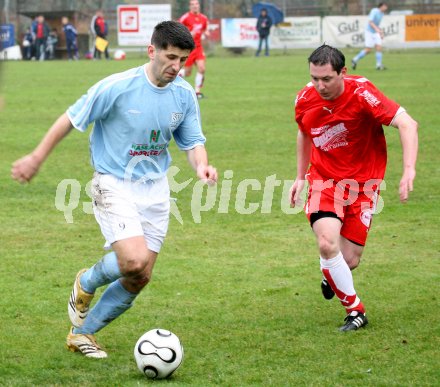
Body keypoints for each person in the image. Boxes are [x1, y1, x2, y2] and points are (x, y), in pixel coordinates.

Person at [11, 20, 218, 358]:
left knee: (140, 276)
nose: (176, 67)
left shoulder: (183, 94)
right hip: (113, 182)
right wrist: (36, 157)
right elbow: (71, 118)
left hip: (155, 189)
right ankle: (88, 281)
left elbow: (193, 141)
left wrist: (202, 166)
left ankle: (83, 333)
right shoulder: (117, 86)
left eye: (182, 59)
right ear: (151, 51)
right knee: (132, 260)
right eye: (169, 57)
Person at [290, 44, 418, 331]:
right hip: (324, 180)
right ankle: (355, 311)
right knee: (326, 242)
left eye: (326, 79)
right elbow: (304, 133)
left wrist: (408, 169)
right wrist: (300, 176)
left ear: (343, 73)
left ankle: (330, 273)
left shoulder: (363, 93)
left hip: (363, 185)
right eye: (314, 78)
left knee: (349, 260)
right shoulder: (304, 99)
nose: (319, 86)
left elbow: (408, 124)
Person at [178, 0, 210, 99]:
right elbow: (177, 29)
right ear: (190, 6)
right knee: (187, 72)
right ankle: (174, 76)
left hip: (199, 47)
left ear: (199, 6)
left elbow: (205, 28)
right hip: (189, 48)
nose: (195, 6)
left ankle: (197, 92)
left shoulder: (203, 18)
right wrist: (188, 34)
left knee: (202, 68)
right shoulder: (185, 18)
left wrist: (206, 32)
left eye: (196, 4)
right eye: (193, 4)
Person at [352, 2, 388, 71]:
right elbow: (370, 22)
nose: (386, 8)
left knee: (379, 47)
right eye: (385, 6)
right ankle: (355, 59)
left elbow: (376, 24)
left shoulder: (382, 14)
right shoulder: (374, 11)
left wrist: (380, 32)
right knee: (368, 50)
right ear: (381, 6)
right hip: (369, 32)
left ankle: (378, 65)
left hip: (375, 32)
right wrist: (377, 29)